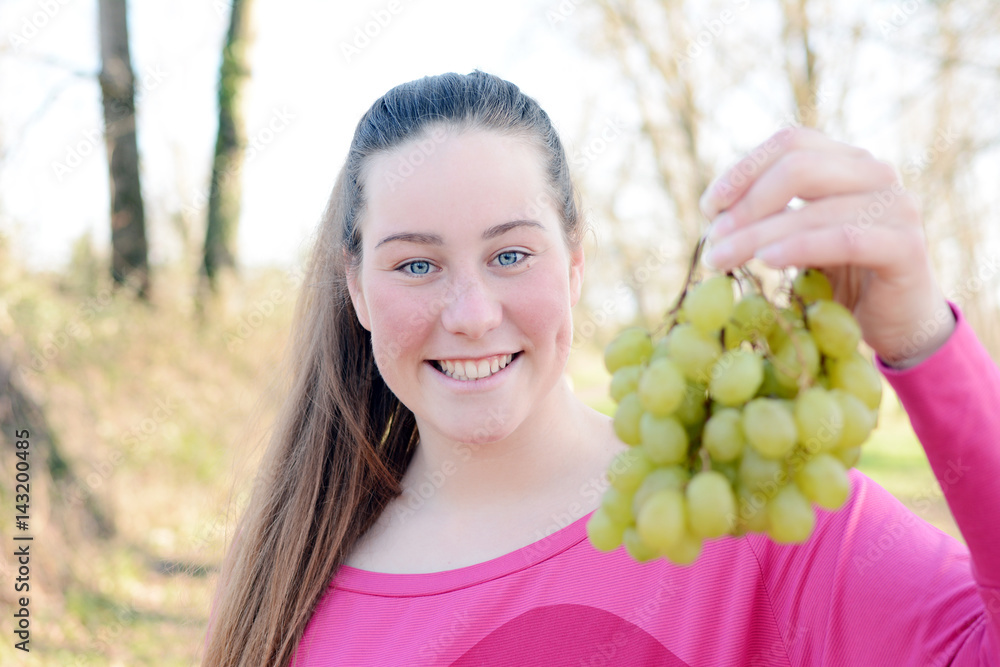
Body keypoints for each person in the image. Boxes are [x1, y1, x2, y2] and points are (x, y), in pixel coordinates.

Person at [201, 71, 999, 666]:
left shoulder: (740, 508)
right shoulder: (287, 577)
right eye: (416, 265)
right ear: (357, 291)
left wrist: (925, 340)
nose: (472, 311)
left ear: (576, 266)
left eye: (511, 253)